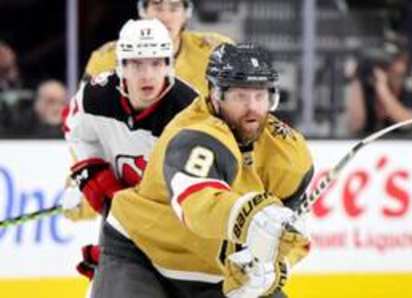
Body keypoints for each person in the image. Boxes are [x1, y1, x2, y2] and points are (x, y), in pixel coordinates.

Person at [92, 43, 314, 298]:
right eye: (240, 96)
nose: (252, 108)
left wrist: (274, 268)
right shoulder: (195, 133)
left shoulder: (286, 152)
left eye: (260, 96)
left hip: (215, 274)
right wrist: (252, 218)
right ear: (215, 95)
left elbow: (294, 232)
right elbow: (198, 204)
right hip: (142, 255)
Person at [62, 18, 198, 279]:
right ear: (121, 66)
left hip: (175, 228)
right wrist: (94, 178)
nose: (147, 74)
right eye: (136, 63)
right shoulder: (95, 97)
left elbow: (193, 197)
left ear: (169, 65)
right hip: (120, 217)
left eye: (156, 63)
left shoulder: (190, 113)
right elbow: (78, 134)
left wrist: (129, 245)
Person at [84, 0, 233, 97]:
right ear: (143, 11)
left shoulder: (215, 52)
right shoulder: (108, 57)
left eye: (174, 8)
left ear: (186, 13)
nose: (165, 17)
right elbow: (84, 114)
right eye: (157, 6)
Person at [345, 39, 412, 137]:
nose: (389, 68)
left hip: (403, 146)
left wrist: (382, 87)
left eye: (394, 61)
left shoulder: (408, 87)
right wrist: (355, 79)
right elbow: (355, 125)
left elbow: (408, 123)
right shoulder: (366, 87)